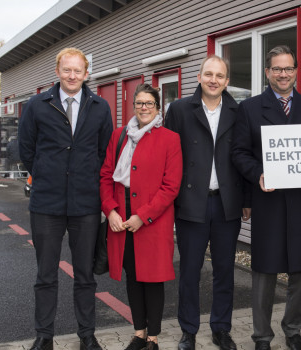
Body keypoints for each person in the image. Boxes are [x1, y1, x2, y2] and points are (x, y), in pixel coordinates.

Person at [231, 45, 301, 350]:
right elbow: (239, 152)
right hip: (268, 200)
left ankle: (294, 330)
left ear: (296, 71)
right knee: (265, 269)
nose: (283, 74)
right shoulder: (249, 108)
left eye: (288, 69)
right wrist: (258, 173)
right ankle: (261, 336)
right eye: (277, 69)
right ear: (267, 72)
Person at [18, 47, 113, 350]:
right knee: (45, 275)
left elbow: (104, 151)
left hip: (85, 205)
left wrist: (86, 179)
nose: (72, 76)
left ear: (87, 74)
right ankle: (44, 336)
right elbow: (27, 149)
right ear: (57, 72)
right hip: (47, 204)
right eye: (67, 70)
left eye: (78, 71)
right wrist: (47, 175)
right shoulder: (36, 105)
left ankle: (87, 334)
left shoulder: (99, 106)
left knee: (85, 275)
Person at [164, 55, 250, 350]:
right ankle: (188, 331)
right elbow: (168, 157)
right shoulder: (178, 110)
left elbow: (246, 157)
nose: (214, 80)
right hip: (190, 202)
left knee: (225, 270)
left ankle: (221, 329)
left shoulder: (239, 111)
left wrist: (247, 200)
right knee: (189, 270)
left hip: (227, 203)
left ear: (227, 81)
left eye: (220, 75)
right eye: (208, 74)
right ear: (199, 77)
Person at [100, 84, 182, 350]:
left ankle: (153, 337)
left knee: (152, 277)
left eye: (149, 103)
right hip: (121, 217)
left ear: (158, 107)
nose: (144, 108)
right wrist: (110, 209)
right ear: (133, 107)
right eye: (139, 103)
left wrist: (142, 216)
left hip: (152, 220)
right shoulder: (119, 136)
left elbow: (171, 186)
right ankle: (138, 332)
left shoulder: (170, 138)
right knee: (133, 276)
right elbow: (105, 176)